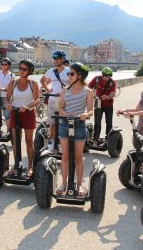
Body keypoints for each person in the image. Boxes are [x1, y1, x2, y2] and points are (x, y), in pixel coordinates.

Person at [56, 62, 93, 197]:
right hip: (65, 124)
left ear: (80, 75)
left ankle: (80, 185)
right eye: (68, 73)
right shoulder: (65, 90)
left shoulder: (88, 92)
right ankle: (64, 183)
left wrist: (85, 115)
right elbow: (60, 108)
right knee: (65, 157)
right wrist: (64, 113)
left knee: (78, 157)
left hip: (79, 125)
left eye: (71, 73)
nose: (69, 76)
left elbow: (90, 111)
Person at [5, 59, 39, 177]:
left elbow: (37, 100)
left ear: (29, 71)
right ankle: (16, 165)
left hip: (28, 113)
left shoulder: (33, 83)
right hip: (15, 113)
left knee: (29, 141)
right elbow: (7, 97)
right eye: (20, 68)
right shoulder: (13, 82)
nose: (21, 71)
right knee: (15, 141)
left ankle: (30, 167)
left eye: (24, 69)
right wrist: (8, 104)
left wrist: (28, 106)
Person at [40, 50, 70, 151]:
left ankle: (62, 143)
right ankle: (53, 142)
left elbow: (73, 84)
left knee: (62, 122)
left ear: (63, 59)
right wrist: (48, 90)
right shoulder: (51, 71)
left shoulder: (68, 71)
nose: (56, 60)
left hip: (63, 100)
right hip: (53, 99)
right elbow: (42, 80)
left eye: (58, 58)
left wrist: (65, 92)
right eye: (54, 58)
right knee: (52, 123)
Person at [88, 67, 116, 145]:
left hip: (108, 104)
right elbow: (89, 87)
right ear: (102, 75)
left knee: (109, 122)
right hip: (98, 103)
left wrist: (108, 96)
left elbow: (113, 93)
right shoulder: (97, 79)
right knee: (97, 122)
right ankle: (95, 139)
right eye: (106, 76)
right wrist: (92, 95)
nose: (108, 77)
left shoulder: (112, 82)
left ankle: (109, 139)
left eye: (110, 76)